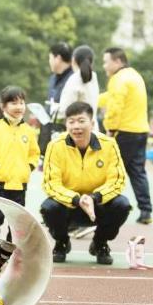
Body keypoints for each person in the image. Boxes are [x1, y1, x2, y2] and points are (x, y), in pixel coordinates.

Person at [41, 101, 131, 265]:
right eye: (71, 121)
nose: (76, 126)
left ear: (92, 122)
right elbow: (51, 183)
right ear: (66, 124)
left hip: (98, 205)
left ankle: (100, 243)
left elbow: (117, 180)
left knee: (122, 205)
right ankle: (61, 242)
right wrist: (76, 199)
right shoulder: (55, 146)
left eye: (81, 121)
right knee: (48, 207)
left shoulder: (109, 145)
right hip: (69, 205)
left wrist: (94, 197)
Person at [0, 86, 40, 246]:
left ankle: (11, 251)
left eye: (21, 102)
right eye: (13, 103)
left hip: (20, 185)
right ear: (3, 106)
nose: (19, 106)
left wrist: (30, 167)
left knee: (17, 223)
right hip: (0, 184)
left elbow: (34, 153)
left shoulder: (29, 130)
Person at [102, 47, 153, 225]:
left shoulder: (118, 79)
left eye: (106, 61)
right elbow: (110, 97)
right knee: (138, 172)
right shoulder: (134, 76)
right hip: (141, 130)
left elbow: (115, 106)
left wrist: (109, 127)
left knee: (111, 170)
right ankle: (146, 211)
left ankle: (107, 209)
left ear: (117, 61)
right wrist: (94, 99)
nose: (104, 66)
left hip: (124, 132)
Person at [38, 42, 73, 156]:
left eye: (50, 58)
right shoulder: (53, 78)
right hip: (49, 132)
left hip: (66, 132)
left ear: (57, 58)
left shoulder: (74, 79)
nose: (49, 62)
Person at [57, 45, 99, 131]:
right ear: (91, 62)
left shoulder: (74, 79)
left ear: (73, 60)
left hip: (77, 130)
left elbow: (63, 110)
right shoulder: (94, 77)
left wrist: (54, 109)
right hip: (92, 128)